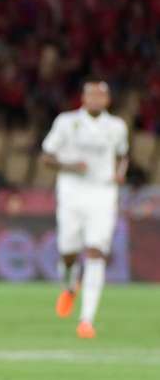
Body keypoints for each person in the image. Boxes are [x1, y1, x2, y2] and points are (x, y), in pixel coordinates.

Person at [41, 79, 128, 339]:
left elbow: (123, 154)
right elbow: (46, 156)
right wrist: (70, 166)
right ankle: (69, 286)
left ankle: (86, 319)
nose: (96, 100)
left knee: (95, 251)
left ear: (107, 100)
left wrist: (120, 173)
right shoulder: (66, 122)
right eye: (91, 95)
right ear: (83, 98)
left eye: (101, 96)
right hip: (71, 192)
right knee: (68, 252)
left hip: (103, 193)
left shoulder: (117, 126)